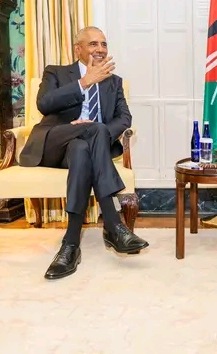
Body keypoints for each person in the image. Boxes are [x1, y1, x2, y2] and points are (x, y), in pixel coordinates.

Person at [20, 26, 149, 280]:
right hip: (53, 141)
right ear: (77, 49)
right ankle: (113, 224)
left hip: (80, 151)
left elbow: (124, 118)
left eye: (104, 44)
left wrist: (93, 134)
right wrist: (84, 82)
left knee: (82, 147)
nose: (100, 49)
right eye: (93, 44)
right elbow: (44, 104)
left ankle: (70, 245)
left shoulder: (114, 82)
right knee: (93, 130)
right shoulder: (56, 72)